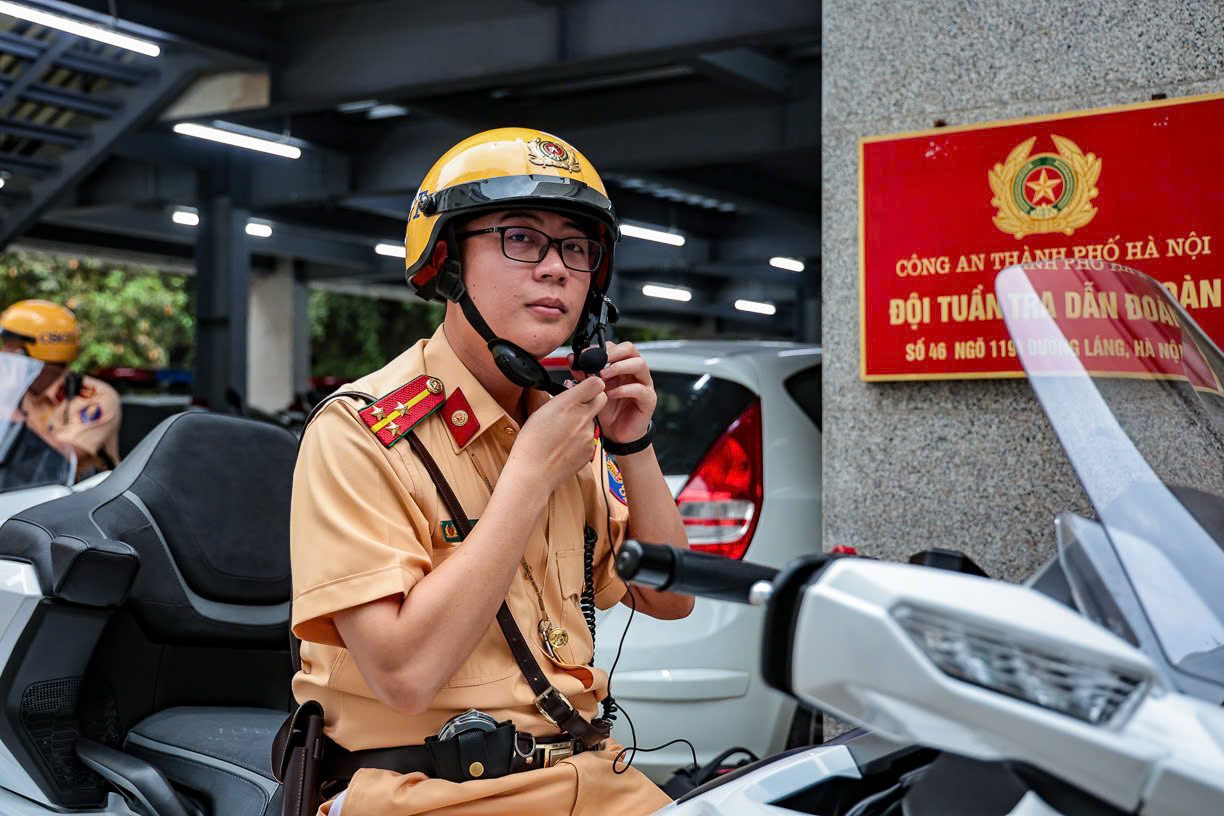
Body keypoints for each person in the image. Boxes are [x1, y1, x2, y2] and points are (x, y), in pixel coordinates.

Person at [290, 127, 693, 816]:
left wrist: (634, 443)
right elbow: (404, 676)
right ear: (446, 262)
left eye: (576, 247)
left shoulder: (565, 429)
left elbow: (670, 598)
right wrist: (529, 478)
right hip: (430, 794)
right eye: (522, 238)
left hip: (592, 779)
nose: (556, 268)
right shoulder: (360, 433)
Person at [0, 299, 121, 478]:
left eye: (10, 346)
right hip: (19, 487)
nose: (3, 354)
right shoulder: (15, 390)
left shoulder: (97, 396)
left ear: (33, 352)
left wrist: (12, 414)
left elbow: (65, 459)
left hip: (81, 491)